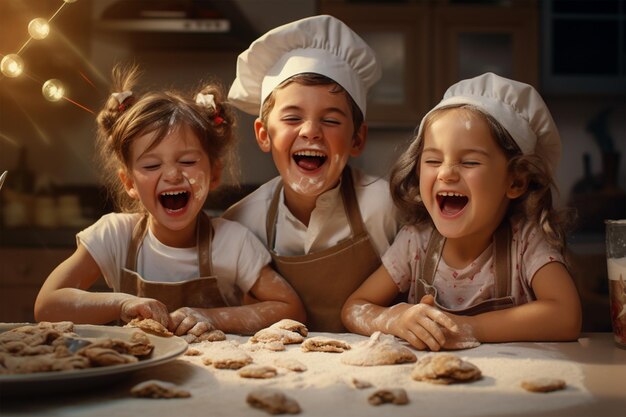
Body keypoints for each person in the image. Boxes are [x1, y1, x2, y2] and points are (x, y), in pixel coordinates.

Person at [34, 64, 305, 337]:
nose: (173, 175)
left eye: (187, 161)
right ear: (129, 183)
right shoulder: (115, 236)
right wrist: (123, 303)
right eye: (151, 166)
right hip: (137, 371)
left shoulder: (232, 243)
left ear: (214, 174)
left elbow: (290, 308)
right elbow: (47, 305)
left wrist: (211, 317)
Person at [342, 72, 582, 350]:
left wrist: (468, 328)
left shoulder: (526, 243)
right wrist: (392, 318)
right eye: (432, 160)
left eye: (469, 162)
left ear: (515, 180)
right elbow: (353, 308)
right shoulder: (415, 243)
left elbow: (567, 316)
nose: (446, 173)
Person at [223, 15, 400, 332]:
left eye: (331, 121)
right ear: (264, 135)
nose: (311, 131)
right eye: (292, 118)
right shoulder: (241, 222)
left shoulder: (386, 207)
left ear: (357, 139)